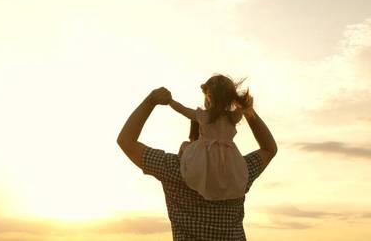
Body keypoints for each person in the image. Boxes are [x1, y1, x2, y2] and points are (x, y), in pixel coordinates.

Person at [117, 87, 277, 240]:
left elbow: (126, 141)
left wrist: (150, 101)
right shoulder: (240, 173)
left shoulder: (175, 169)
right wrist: (246, 109)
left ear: (193, 135)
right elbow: (269, 149)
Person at [169, 75, 253, 201]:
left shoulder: (204, 116)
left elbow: (182, 109)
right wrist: (236, 98)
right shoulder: (233, 117)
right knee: (224, 175)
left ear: (209, 97)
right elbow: (245, 107)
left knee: (184, 146)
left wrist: (170, 101)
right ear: (230, 99)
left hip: (204, 156)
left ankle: (181, 165)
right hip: (228, 159)